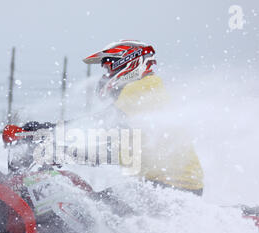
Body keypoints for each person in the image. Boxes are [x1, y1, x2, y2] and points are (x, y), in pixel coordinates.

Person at [83, 40, 204, 196]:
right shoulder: (147, 86)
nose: (106, 76)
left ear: (128, 62)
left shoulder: (141, 88)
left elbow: (99, 125)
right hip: (164, 185)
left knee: (88, 207)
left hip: (172, 186)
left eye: (108, 68)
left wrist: (50, 133)